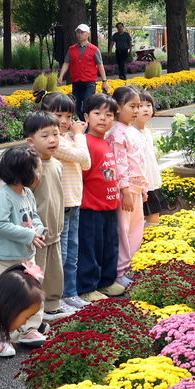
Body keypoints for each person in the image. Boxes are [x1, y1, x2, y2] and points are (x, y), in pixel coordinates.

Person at [0, 144, 49, 356]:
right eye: (37, 170)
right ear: (23, 172)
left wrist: (38, 230)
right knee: (4, 298)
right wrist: (30, 235)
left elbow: (35, 217)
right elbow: (1, 225)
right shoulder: (4, 196)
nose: (39, 174)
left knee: (32, 294)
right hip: (6, 258)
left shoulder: (28, 193)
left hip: (26, 256)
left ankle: (29, 328)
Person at [42, 92, 91, 312]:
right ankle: (57, 297)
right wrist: (80, 135)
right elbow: (82, 157)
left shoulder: (68, 139)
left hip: (74, 201)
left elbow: (87, 162)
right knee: (59, 256)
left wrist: (76, 138)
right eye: (58, 114)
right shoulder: (55, 142)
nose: (64, 121)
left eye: (69, 116)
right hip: (59, 206)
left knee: (72, 254)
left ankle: (70, 293)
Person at [77, 93, 124, 302]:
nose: (103, 118)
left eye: (109, 114)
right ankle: (87, 287)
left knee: (109, 246)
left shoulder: (105, 143)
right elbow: (82, 178)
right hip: (91, 208)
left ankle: (106, 282)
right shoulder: (86, 143)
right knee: (91, 249)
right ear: (86, 117)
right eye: (97, 113)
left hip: (109, 206)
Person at [22, 111, 69, 322]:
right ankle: (34, 311)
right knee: (36, 273)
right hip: (38, 234)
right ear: (30, 141)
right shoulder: (31, 168)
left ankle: (53, 305)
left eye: (56, 134)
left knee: (54, 273)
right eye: (45, 135)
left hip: (55, 230)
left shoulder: (57, 164)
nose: (52, 140)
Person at [107, 86, 148, 285]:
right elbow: (119, 165)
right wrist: (126, 191)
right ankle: (120, 273)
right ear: (117, 107)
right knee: (123, 231)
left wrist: (144, 187)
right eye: (132, 106)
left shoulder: (130, 130)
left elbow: (140, 161)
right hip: (126, 191)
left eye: (138, 106)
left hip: (137, 189)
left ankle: (130, 268)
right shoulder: (116, 132)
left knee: (135, 230)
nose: (136, 111)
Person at [58, 24, 106, 119]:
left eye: (82, 32)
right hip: (76, 82)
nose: (80, 35)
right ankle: (85, 123)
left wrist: (104, 81)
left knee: (87, 106)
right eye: (78, 32)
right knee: (76, 107)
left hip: (89, 82)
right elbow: (66, 63)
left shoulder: (94, 49)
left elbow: (100, 65)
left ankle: (88, 128)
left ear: (88, 34)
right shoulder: (71, 49)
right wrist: (61, 76)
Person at [133, 91, 167, 226]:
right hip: (140, 183)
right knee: (139, 217)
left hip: (151, 182)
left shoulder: (146, 131)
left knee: (154, 215)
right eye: (140, 106)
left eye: (149, 105)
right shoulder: (131, 133)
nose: (146, 109)